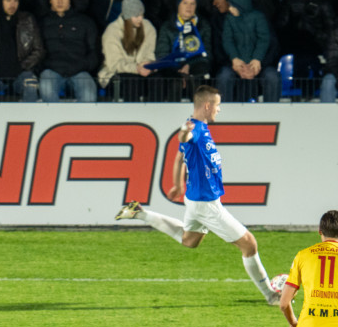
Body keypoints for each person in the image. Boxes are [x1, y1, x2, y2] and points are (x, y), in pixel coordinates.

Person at [115, 85, 278, 305]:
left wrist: (177, 184)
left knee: (189, 240)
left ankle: (140, 214)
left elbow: (179, 158)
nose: (219, 110)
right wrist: (183, 132)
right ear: (208, 105)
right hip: (205, 203)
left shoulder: (202, 127)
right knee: (249, 244)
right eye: (218, 106)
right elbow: (184, 138)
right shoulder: (196, 129)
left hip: (195, 198)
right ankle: (271, 295)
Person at [39, 0, 99, 102]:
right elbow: (37, 50)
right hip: (52, 70)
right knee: (46, 88)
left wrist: (83, 65)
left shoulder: (85, 22)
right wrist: (44, 66)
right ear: (50, 0)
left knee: (89, 96)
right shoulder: (42, 23)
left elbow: (94, 51)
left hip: (79, 70)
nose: (60, 1)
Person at [218, 0, 279, 102]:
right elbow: (227, 40)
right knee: (224, 76)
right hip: (236, 64)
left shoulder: (259, 17)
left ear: (241, 5)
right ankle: (224, 113)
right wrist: (234, 59)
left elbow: (264, 39)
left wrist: (257, 59)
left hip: (259, 64)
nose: (229, 8)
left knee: (272, 76)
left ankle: (272, 112)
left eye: (232, 5)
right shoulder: (229, 19)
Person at [97, 0, 160, 101]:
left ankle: (156, 114)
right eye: (136, 16)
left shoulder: (148, 27)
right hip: (115, 74)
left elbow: (150, 53)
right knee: (131, 80)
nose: (140, 18)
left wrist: (148, 65)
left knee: (158, 80)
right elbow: (114, 64)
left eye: (142, 15)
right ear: (127, 16)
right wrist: (136, 68)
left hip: (142, 71)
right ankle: (131, 116)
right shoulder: (112, 31)